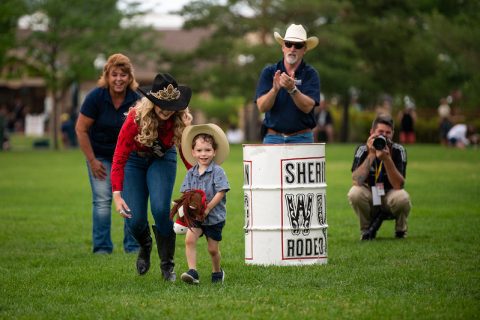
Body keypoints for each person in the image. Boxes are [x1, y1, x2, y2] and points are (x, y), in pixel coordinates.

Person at [111, 73, 193, 281]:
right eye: (161, 105)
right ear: (152, 102)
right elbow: (119, 156)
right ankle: (145, 245)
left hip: (163, 159)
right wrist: (117, 194)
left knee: (160, 209)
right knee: (135, 218)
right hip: (134, 162)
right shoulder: (135, 118)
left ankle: (167, 265)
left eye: (171, 105)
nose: (166, 110)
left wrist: (195, 182)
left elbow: (186, 153)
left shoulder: (179, 119)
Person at [75, 53, 140, 254]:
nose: (119, 79)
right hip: (100, 157)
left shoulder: (136, 100)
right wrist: (92, 160)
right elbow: (81, 129)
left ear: (130, 78)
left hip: (128, 159)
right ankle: (102, 247)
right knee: (102, 201)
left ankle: (132, 246)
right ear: (107, 76)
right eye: (114, 74)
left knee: (130, 199)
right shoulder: (95, 97)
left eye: (123, 75)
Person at [177, 124, 230, 284]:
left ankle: (217, 271)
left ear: (214, 152)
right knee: (189, 240)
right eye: (199, 150)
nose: (203, 154)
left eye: (207, 150)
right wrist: (185, 207)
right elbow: (186, 193)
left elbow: (221, 191)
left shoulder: (218, 171)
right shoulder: (190, 173)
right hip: (196, 217)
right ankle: (193, 272)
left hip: (214, 217)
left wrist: (207, 209)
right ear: (193, 152)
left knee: (213, 250)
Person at [347, 114, 411, 240]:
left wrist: (387, 160)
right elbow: (356, 181)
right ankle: (366, 231)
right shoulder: (362, 149)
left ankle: (400, 230)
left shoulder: (398, 150)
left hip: (390, 194)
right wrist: (371, 155)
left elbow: (399, 185)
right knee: (354, 193)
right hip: (370, 194)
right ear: (371, 132)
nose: (384, 136)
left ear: (393, 133)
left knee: (402, 197)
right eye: (380, 132)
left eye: (388, 132)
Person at [255, 24, 320, 144]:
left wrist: (292, 89)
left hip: (302, 138)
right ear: (283, 47)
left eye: (298, 45)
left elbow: (308, 107)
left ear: (304, 49)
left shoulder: (311, 74)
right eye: (289, 44)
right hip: (272, 138)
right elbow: (262, 107)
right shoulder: (269, 72)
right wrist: (274, 90)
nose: (292, 48)